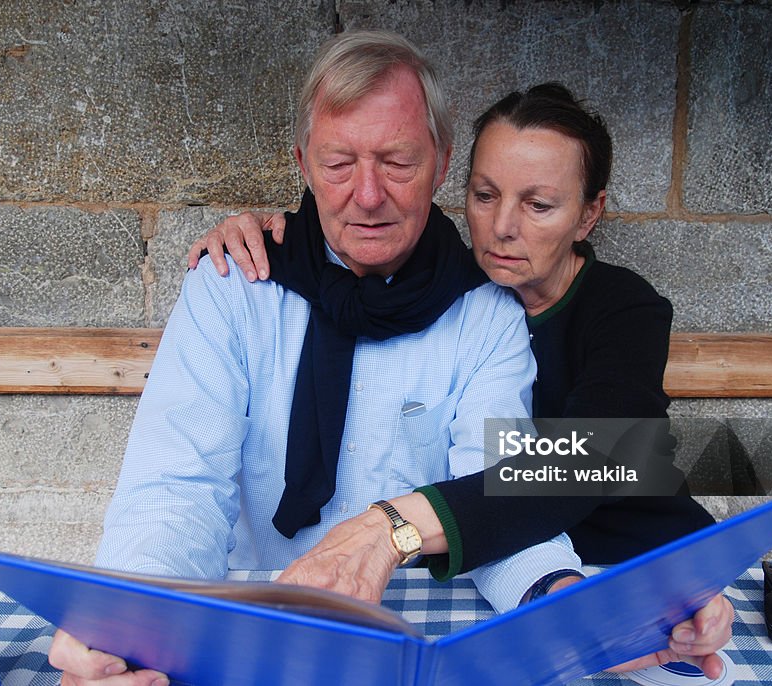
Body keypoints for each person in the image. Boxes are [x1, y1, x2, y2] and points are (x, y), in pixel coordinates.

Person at [51, 31, 591, 686]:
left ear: (442, 163)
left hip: (413, 638)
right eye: (339, 164)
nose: (367, 195)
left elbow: (501, 495)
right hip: (254, 634)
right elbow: (176, 487)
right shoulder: (231, 288)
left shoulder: (486, 315)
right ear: (303, 162)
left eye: (397, 162)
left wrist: (562, 596)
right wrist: (124, 622)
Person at [189, 82, 734, 675]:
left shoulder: (624, 308)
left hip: (629, 559)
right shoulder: (451, 292)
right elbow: (334, 251)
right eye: (484, 195)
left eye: (539, 205)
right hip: (510, 567)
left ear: (590, 213)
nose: (501, 227)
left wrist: (390, 526)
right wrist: (256, 235)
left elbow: (596, 457)